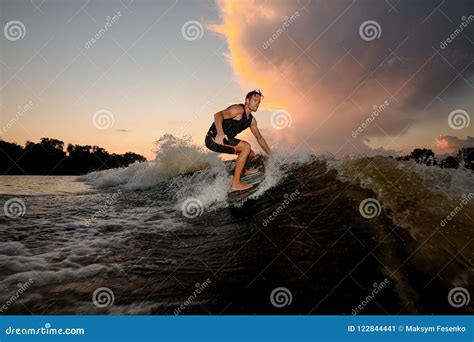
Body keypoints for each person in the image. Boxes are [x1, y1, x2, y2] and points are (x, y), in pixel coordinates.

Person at [205, 89, 271, 191]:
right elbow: (218, 115)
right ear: (247, 101)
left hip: (225, 140)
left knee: (251, 154)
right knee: (246, 146)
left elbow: (260, 138)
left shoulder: (252, 121)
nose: (257, 104)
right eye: (254, 100)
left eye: (258, 102)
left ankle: (242, 171)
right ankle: (236, 184)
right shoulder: (238, 110)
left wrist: (271, 154)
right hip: (213, 139)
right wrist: (220, 133)